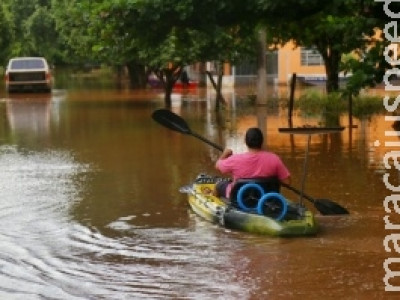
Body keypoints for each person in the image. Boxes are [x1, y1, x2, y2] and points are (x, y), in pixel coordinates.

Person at [215, 127, 291, 199]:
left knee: (219, 184)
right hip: (266, 199)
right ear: (262, 141)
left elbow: (217, 165)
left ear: (245, 142)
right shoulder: (274, 159)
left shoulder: (235, 159)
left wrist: (225, 154)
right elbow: (287, 181)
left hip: (239, 199)